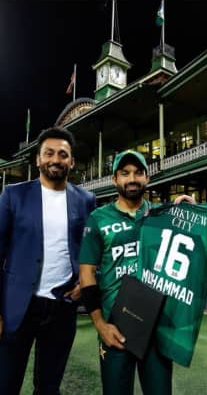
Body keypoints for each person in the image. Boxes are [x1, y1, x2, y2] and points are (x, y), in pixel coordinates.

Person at [0, 127, 96, 395]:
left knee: (49, 387)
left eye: (63, 154)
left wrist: (83, 283)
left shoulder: (87, 200)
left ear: (72, 161)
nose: (56, 159)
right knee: (6, 383)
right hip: (17, 305)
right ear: (38, 160)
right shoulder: (13, 195)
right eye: (49, 153)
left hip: (62, 306)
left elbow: (91, 249)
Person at [78, 150, 172, 395]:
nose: (132, 178)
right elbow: (86, 274)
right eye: (125, 173)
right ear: (115, 180)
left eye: (138, 173)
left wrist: (188, 206)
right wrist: (99, 325)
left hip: (156, 327)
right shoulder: (98, 218)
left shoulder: (163, 215)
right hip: (114, 327)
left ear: (147, 178)